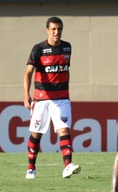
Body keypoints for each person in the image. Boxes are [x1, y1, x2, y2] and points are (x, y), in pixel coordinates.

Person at [23, 16, 81, 180]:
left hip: (62, 98)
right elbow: (28, 72)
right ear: (47, 30)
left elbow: (65, 70)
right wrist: (26, 95)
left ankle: (67, 166)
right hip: (41, 98)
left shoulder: (67, 48)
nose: (57, 32)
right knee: (36, 134)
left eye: (59, 29)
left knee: (64, 129)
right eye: (53, 29)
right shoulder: (38, 49)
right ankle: (31, 167)